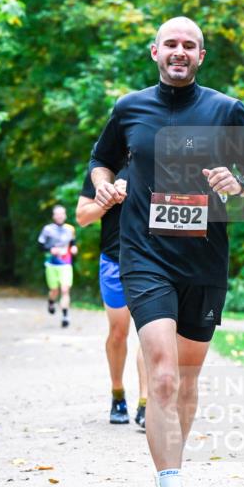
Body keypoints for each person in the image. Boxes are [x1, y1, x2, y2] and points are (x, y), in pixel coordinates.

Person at [89, 16, 244, 487]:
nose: (179, 51)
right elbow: (100, 162)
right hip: (144, 257)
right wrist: (105, 188)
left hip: (203, 263)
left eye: (188, 45)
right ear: (155, 51)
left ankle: (172, 468)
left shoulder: (225, 111)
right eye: (170, 43)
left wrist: (241, 183)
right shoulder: (129, 108)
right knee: (163, 375)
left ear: (201, 55)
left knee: (188, 380)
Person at [76, 170, 149, 427]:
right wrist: (107, 199)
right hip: (114, 259)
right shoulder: (103, 169)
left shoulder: (159, 156)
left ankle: (146, 403)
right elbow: (82, 217)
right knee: (119, 332)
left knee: (151, 332)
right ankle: (117, 393)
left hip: (150, 259)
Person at [37, 205, 77, 328]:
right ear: (54, 216)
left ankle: (65, 316)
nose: (60, 216)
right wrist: (51, 249)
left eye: (62, 214)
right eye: (57, 214)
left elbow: (73, 243)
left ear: (65, 215)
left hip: (66, 263)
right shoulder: (47, 229)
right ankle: (51, 301)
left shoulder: (70, 229)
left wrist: (74, 248)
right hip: (51, 263)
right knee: (54, 290)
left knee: (65, 290)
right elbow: (40, 246)